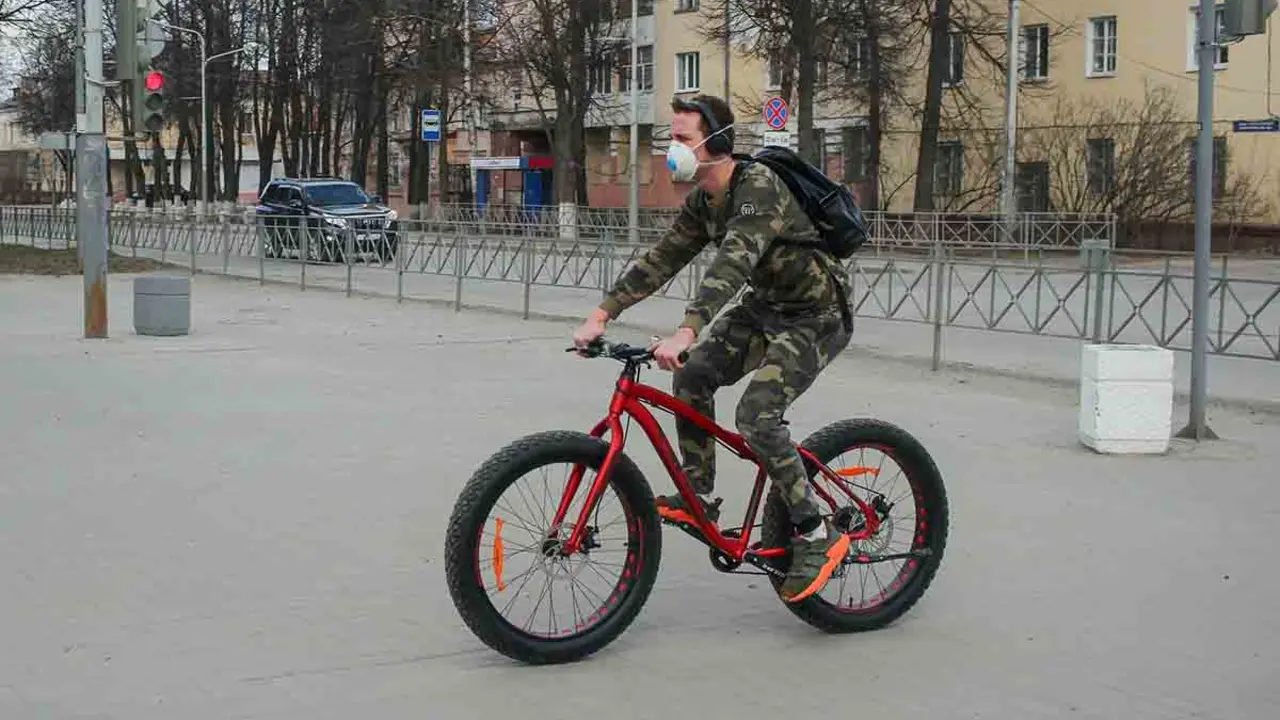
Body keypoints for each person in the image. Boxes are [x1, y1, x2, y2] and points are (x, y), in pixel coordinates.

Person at [572, 94, 855, 604]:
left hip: (817, 316)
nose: (670, 150)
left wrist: (687, 330)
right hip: (766, 309)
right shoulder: (703, 202)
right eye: (670, 139)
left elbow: (733, 263)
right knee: (694, 375)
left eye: (680, 139)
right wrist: (602, 313)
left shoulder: (757, 188)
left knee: (757, 416)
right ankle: (699, 494)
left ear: (716, 142)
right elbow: (663, 258)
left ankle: (816, 533)